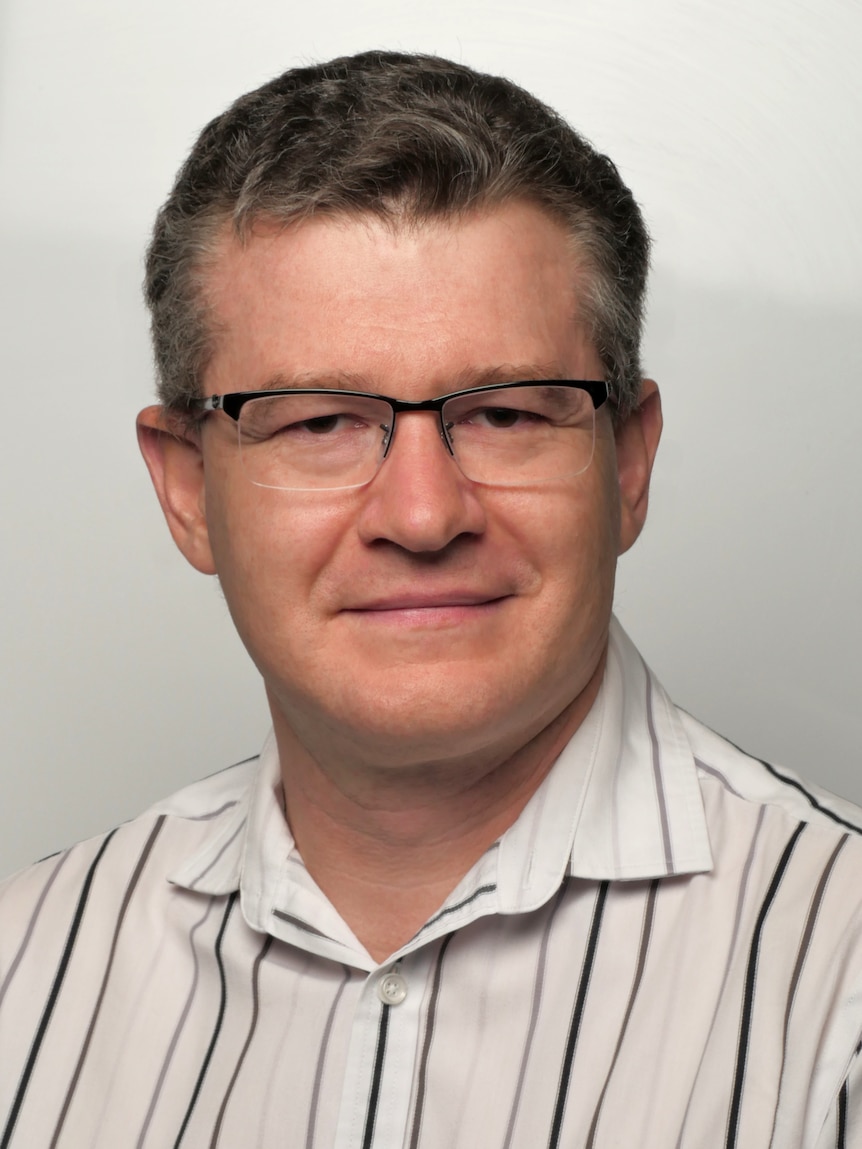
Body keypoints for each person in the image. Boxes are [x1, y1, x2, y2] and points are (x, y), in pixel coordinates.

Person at [1, 50, 860, 1149]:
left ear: (628, 461)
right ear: (187, 493)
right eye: (317, 422)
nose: (421, 515)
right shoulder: (23, 978)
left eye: (506, 414)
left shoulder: (840, 987)